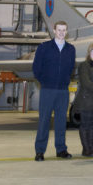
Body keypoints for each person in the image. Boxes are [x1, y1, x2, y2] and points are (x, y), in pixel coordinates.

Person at [33, 20, 76, 162]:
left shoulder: (71, 49)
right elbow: (36, 68)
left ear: (67, 31)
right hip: (47, 90)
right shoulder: (44, 47)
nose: (62, 32)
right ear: (54, 30)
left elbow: (71, 68)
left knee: (61, 121)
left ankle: (61, 149)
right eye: (59, 30)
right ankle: (40, 151)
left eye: (64, 30)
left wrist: (65, 82)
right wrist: (44, 82)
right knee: (44, 121)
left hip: (63, 91)